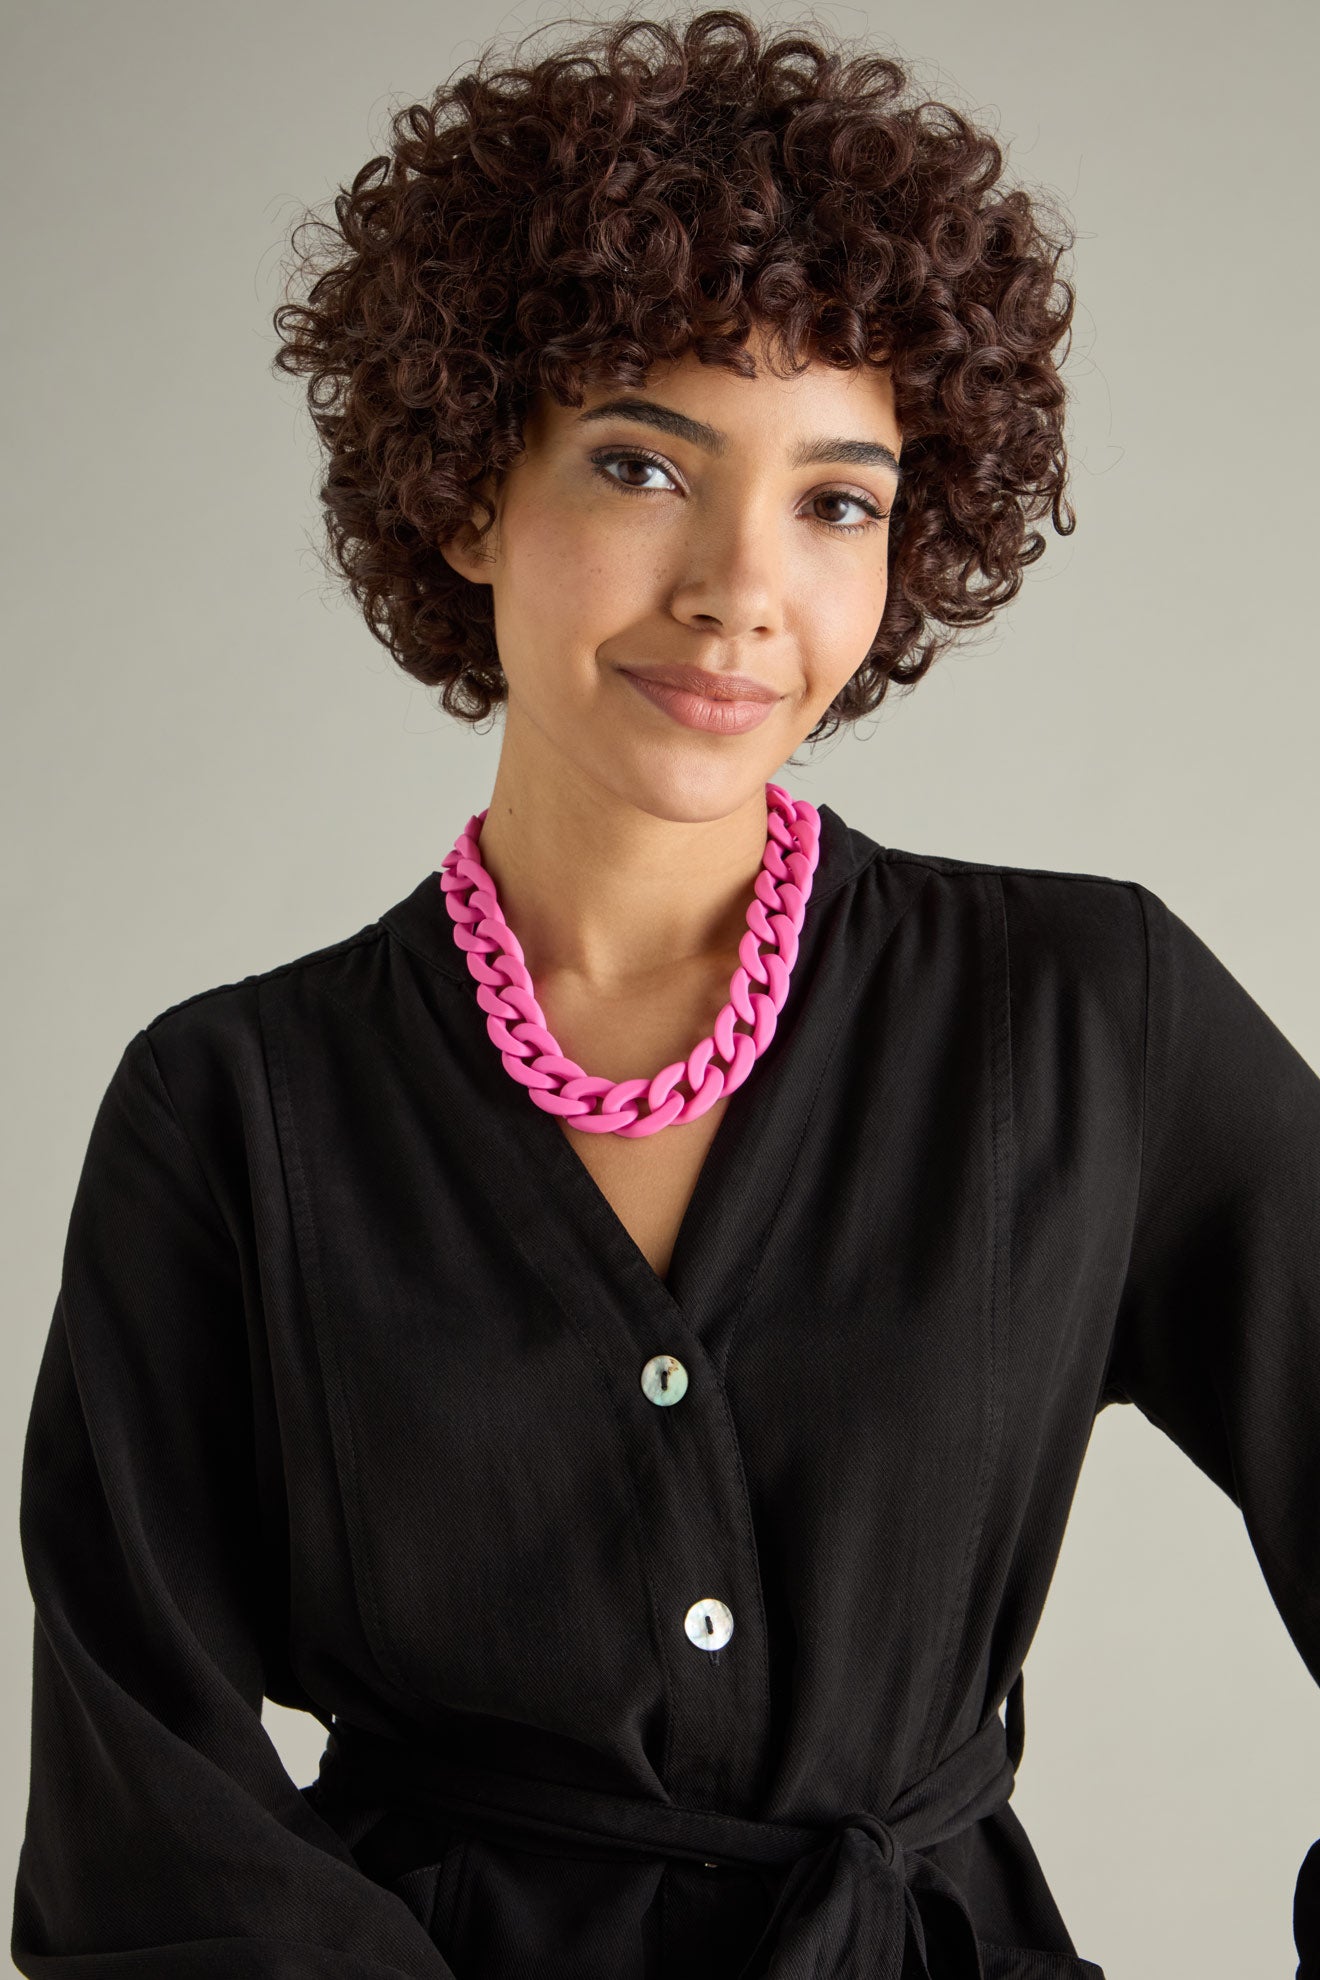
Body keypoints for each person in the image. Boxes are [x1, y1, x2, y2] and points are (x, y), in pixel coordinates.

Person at [11, 10, 1319, 1979]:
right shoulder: (235, 1109)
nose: (738, 589)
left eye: (838, 499)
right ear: (467, 491)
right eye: (643, 462)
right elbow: (144, 1817)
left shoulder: (1084, 1020)